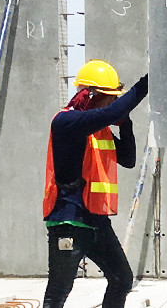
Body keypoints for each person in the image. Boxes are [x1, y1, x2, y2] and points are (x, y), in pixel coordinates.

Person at [42, 60, 148, 308]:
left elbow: (129, 159)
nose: (113, 103)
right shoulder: (65, 123)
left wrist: (127, 122)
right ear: (90, 96)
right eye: (109, 98)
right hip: (69, 221)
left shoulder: (99, 131)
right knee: (58, 292)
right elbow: (109, 114)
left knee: (122, 279)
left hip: (95, 221)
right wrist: (147, 82)